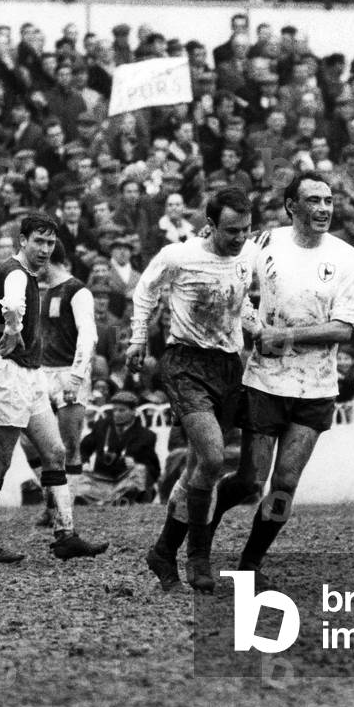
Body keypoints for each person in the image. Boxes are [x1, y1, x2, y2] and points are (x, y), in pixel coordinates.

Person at [207, 171, 354, 586]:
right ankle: (202, 529)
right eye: (314, 200)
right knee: (250, 481)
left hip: (316, 386)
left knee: (285, 484)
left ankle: (250, 564)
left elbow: (345, 328)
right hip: (266, 380)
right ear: (292, 206)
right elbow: (232, 283)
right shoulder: (264, 243)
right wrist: (255, 326)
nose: (324, 209)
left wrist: (288, 335)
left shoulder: (346, 255)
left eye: (329, 201)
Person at [127, 187, 259, 593]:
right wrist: (137, 338)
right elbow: (145, 289)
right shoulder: (180, 255)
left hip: (228, 364)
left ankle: (164, 550)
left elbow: (239, 305)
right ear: (210, 225)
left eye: (246, 230)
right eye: (231, 231)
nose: (239, 239)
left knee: (199, 469)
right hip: (186, 363)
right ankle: (198, 557)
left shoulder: (249, 255)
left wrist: (255, 326)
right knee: (214, 457)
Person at [0, 212, 108, 564]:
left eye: (50, 243)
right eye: (39, 241)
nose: (45, 249)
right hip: (9, 376)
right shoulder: (16, 271)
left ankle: (65, 534)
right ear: (23, 240)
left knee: (55, 451)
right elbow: (13, 306)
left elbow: (2, 309)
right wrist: (12, 330)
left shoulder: (24, 274)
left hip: (30, 375)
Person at [19, 240, 98, 527]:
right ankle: (51, 499)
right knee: (30, 442)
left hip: (68, 373)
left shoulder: (78, 291)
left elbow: (88, 335)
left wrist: (77, 376)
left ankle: (64, 510)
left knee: (68, 444)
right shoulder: (35, 291)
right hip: (40, 372)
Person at [74, 390, 160, 505]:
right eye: (114, 410)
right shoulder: (101, 427)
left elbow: (154, 468)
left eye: (122, 410)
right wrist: (85, 463)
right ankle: (114, 501)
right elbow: (83, 449)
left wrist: (136, 464)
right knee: (78, 478)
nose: (116, 414)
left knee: (140, 471)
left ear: (134, 412)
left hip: (126, 482)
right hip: (101, 480)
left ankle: (106, 501)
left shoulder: (146, 436)